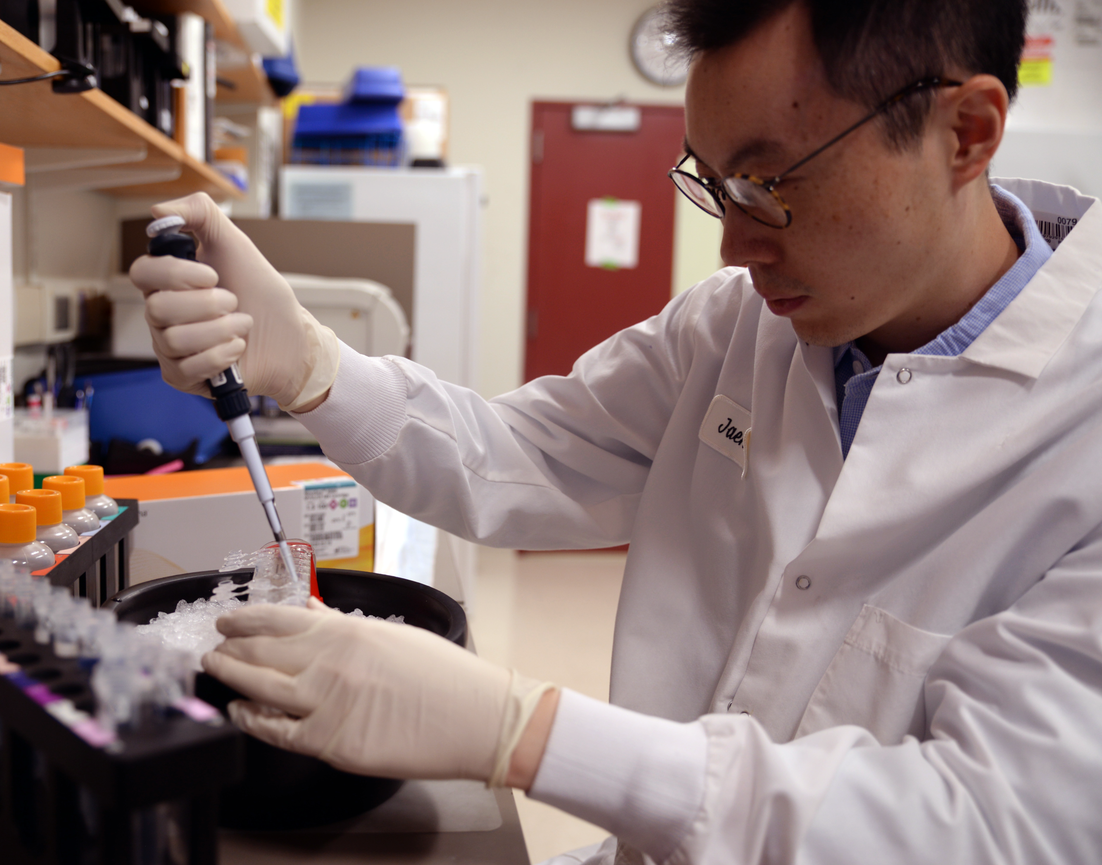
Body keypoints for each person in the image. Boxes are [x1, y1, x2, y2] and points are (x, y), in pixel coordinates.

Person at [129, 0, 1102, 860]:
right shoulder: (732, 328)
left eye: (768, 184)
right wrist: (311, 363)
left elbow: (989, 822)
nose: (734, 243)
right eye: (714, 182)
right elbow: (516, 459)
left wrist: (526, 732)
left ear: (966, 132)